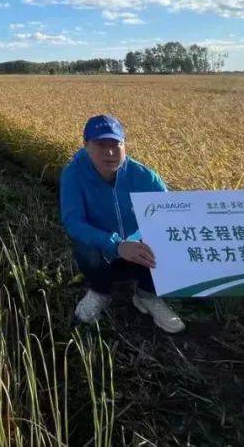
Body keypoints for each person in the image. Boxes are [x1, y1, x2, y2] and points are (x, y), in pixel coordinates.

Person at [60, 114, 185, 333]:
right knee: (86, 249)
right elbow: (74, 222)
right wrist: (116, 244)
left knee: (165, 239)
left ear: (124, 145)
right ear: (86, 145)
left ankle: (147, 295)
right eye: (101, 145)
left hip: (139, 252)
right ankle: (100, 292)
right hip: (103, 252)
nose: (109, 153)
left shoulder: (144, 176)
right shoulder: (73, 175)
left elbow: (168, 213)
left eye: (116, 145)